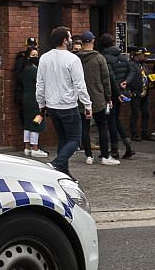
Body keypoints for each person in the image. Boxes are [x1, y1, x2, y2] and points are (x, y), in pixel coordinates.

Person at [35, 27, 90, 174]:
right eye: (70, 38)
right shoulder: (73, 59)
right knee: (75, 140)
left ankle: (62, 173)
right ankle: (57, 163)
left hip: (51, 106)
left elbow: (40, 83)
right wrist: (87, 104)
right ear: (65, 40)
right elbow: (80, 84)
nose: (72, 40)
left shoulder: (44, 58)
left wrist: (41, 105)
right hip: (68, 106)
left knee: (62, 139)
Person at [78, 32, 119, 166]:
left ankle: (88, 155)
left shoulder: (76, 58)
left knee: (84, 127)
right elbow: (105, 79)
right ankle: (105, 156)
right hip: (98, 98)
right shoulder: (99, 58)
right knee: (102, 126)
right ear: (93, 41)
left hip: (81, 98)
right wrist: (108, 97)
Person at [11, 37, 46, 158]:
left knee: (27, 123)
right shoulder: (33, 70)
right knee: (36, 122)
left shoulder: (24, 68)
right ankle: (35, 147)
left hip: (26, 96)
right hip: (34, 97)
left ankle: (27, 147)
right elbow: (41, 83)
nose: (36, 56)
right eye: (34, 54)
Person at [105, 40, 138, 160]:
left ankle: (114, 149)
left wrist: (117, 92)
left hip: (112, 93)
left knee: (111, 120)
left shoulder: (106, 58)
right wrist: (126, 82)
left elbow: (111, 77)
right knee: (116, 118)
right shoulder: (123, 57)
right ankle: (127, 143)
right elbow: (132, 70)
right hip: (122, 91)